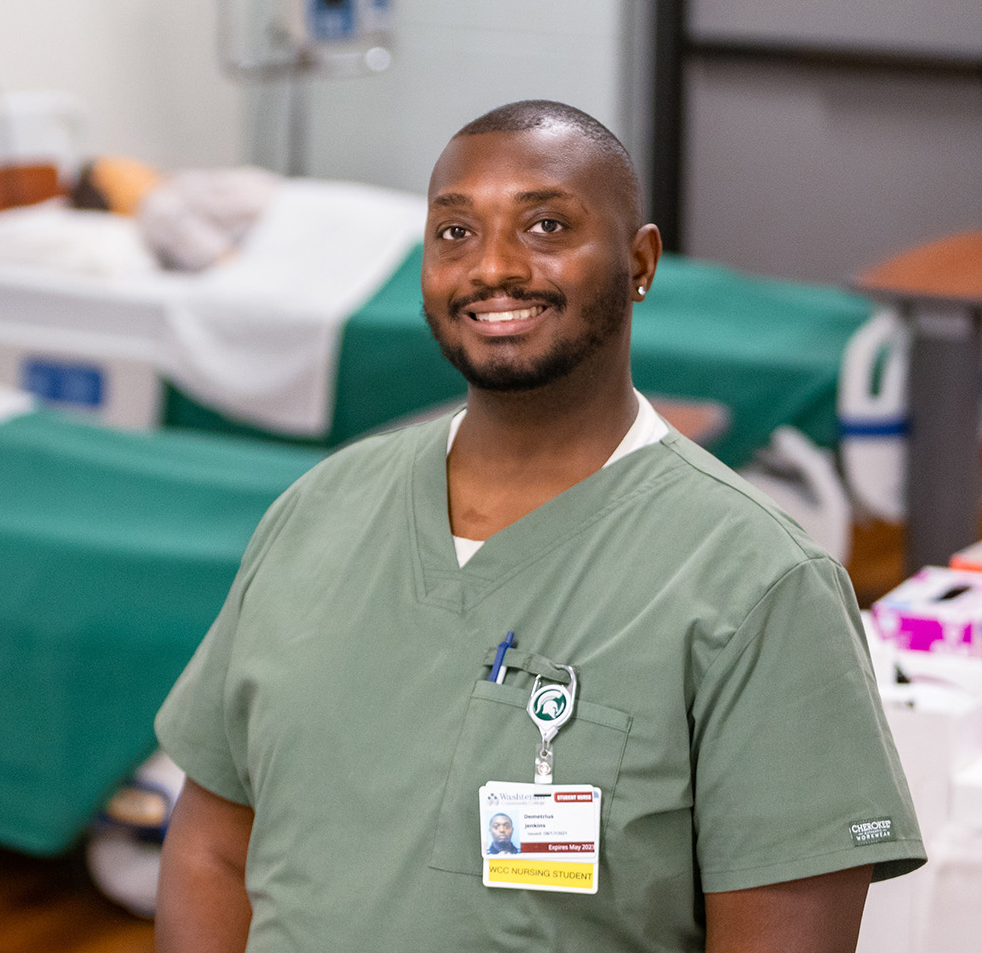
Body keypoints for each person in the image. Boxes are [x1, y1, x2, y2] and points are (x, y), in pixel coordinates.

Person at [153, 100, 924, 952]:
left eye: (547, 226)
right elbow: (212, 851)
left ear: (639, 263)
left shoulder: (756, 582)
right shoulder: (319, 511)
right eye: (455, 233)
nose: (493, 267)